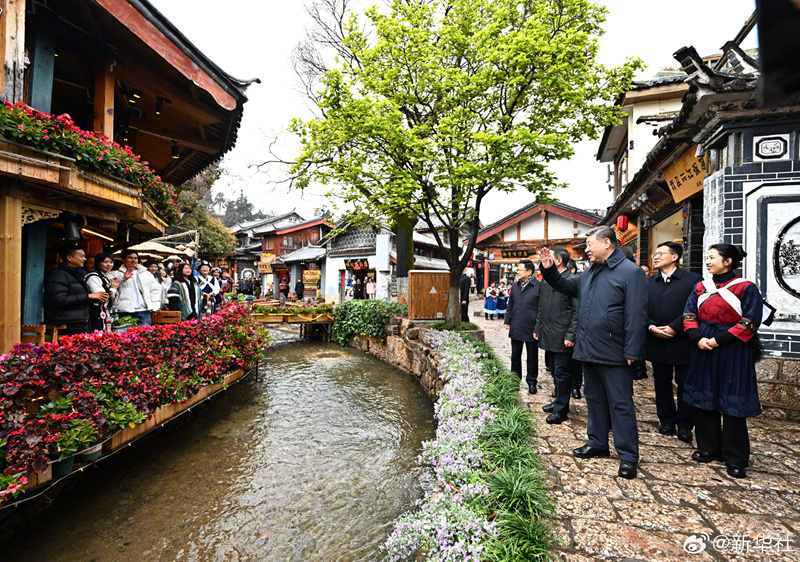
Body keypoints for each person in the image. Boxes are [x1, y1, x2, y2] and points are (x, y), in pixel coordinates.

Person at [539, 226, 648, 480]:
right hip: (588, 348)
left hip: (615, 351)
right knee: (594, 399)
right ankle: (597, 442)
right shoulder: (589, 273)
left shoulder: (631, 272)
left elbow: (637, 315)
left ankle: (628, 455)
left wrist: (633, 350)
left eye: (590, 244)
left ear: (607, 243)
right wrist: (549, 269)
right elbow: (564, 285)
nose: (586, 249)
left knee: (620, 404)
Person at [683, 244, 763, 479]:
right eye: (707, 257)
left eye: (712, 257)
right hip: (702, 344)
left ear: (728, 261)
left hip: (733, 347)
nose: (707, 261)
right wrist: (697, 338)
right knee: (704, 397)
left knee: (732, 400)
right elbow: (689, 314)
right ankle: (708, 447)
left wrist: (718, 340)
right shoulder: (701, 287)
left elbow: (750, 321)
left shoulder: (745, 287)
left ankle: (735, 457)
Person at [646, 242, 702, 443]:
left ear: (675, 257)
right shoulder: (649, 282)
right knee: (661, 382)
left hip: (682, 340)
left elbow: (696, 308)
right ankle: (666, 420)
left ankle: (685, 424)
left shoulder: (693, 280)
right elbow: (639, 308)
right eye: (655, 253)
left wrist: (675, 327)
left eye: (661, 253)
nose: (656, 257)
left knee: (685, 383)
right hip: (656, 339)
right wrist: (651, 326)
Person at [534, 247, 579, 424]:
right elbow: (541, 307)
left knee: (562, 373)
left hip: (562, 334)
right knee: (554, 371)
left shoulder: (572, 280)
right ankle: (559, 401)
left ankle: (561, 409)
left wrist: (571, 334)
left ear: (558, 261)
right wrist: (538, 327)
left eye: (550, 257)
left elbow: (577, 311)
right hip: (548, 332)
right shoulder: (547, 279)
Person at [43, 246, 108, 335]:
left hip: (81, 321)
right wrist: (88, 296)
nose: (84, 259)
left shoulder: (80, 274)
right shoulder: (58, 275)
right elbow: (59, 300)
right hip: (66, 324)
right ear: (69, 258)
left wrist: (97, 297)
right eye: (81, 256)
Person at [504, 260, 541, 394]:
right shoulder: (515, 286)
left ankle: (532, 382)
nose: (517, 272)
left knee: (532, 357)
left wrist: (538, 327)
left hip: (531, 328)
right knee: (515, 356)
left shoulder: (538, 286)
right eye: (517, 270)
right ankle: (515, 380)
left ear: (529, 271)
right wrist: (507, 320)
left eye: (520, 269)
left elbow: (541, 309)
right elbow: (510, 305)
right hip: (516, 325)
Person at [108, 249, 162, 326]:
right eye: (130, 258)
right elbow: (109, 288)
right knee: (124, 333)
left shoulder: (146, 273)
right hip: (124, 311)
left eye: (135, 258)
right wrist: (123, 278)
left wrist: (155, 307)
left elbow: (154, 291)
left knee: (144, 333)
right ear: (123, 259)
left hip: (143, 311)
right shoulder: (114, 274)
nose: (134, 260)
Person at [85, 252, 121, 332]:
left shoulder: (105, 277)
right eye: (105, 262)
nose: (109, 265)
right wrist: (113, 288)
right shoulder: (93, 277)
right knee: (98, 335)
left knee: (106, 335)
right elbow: (102, 297)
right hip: (96, 313)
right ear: (97, 264)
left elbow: (113, 299)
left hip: (105, 312)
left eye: (111, 262)